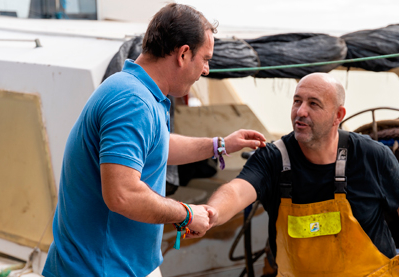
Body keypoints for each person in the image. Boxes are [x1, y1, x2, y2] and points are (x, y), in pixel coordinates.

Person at [42, 4, 266, 277]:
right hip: (99, 268)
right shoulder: (132, 102)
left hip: (125, 265)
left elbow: (156, 146)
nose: (206, 69)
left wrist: (218, 145)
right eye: (205, 59)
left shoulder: (139, 91)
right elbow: (122, 194)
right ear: (183, 54)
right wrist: (185, 213)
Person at [206, 73, 399, 277]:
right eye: (297, 101)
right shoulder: (273, 158)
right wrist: (211, 213)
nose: (301, 111)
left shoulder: (371, 156)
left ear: (338, 115)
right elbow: (236, 191)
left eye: (314, 104)